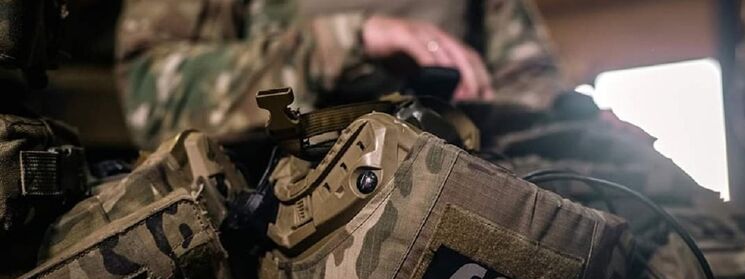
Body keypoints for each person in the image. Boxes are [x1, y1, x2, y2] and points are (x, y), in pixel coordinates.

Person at [115, 0, 563, 150]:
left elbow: (530, 89)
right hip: (281, 228)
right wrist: (343, 44)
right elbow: (151, 98)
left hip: (461, 192)